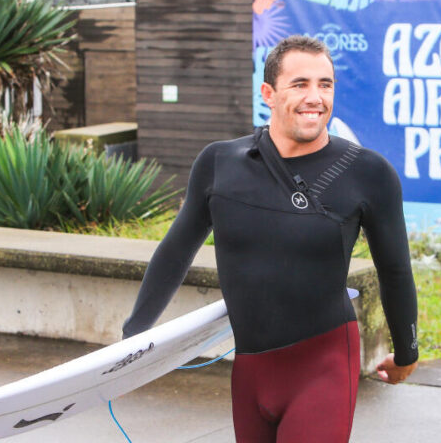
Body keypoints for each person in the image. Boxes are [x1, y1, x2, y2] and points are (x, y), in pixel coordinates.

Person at [123, 35, 419, 442]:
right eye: (300, 84)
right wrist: (132, 338)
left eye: (325, 84)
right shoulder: (219, 163)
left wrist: (407, 352)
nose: (315, 97)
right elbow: (176, 251)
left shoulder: (367, 173)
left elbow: (396, 270)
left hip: (324, 364)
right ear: (268, 93)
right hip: (250, 372)